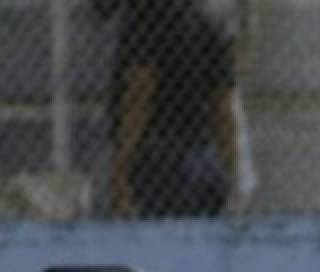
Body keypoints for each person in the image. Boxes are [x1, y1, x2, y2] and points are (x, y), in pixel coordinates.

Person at [95, 0, 239, 217]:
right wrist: (230, 171)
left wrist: (121, 169)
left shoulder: (144, 20)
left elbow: (139, 93)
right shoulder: (209, 21)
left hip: (159, 159)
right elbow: (223, 108)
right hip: (204, 155)